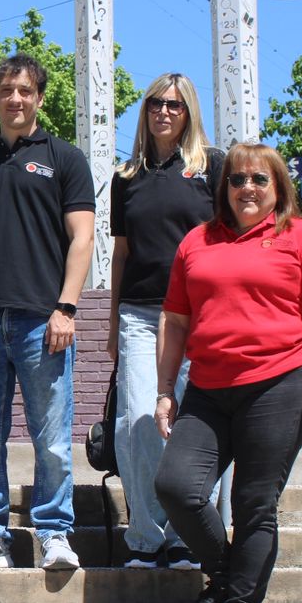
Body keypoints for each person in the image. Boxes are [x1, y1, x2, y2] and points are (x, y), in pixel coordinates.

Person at [153, 142, 302, 603]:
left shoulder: (300, 237)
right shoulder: (197, 241)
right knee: (176, 486)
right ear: (224, 188)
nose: (247, 188)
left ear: (278, 188)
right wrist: (163, 391)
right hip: (207, 387)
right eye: (237, 179)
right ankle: (224, 578)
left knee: (253, 504)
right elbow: (175, 320)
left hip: (277, 384)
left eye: (259, 180)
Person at [0, 53, 95, 571]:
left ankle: (54, 533)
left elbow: (83, 237)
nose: (15, 99)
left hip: (42, 322)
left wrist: (66, 307)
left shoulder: (65, 159)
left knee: (52, 437)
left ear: (39, 98)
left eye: (25, 91)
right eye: (6, 91)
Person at [106, 73, 224, 571]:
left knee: (194, 425)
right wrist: (112, 322)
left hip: (201, 315)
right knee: (136, 423)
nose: (164, 112)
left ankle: (187, 536)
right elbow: (121, 253)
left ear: (189, 111)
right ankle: (146, 537)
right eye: (156, 103)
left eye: (175, 105)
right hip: (140, 314)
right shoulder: (125, 177)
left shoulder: (212, 167)